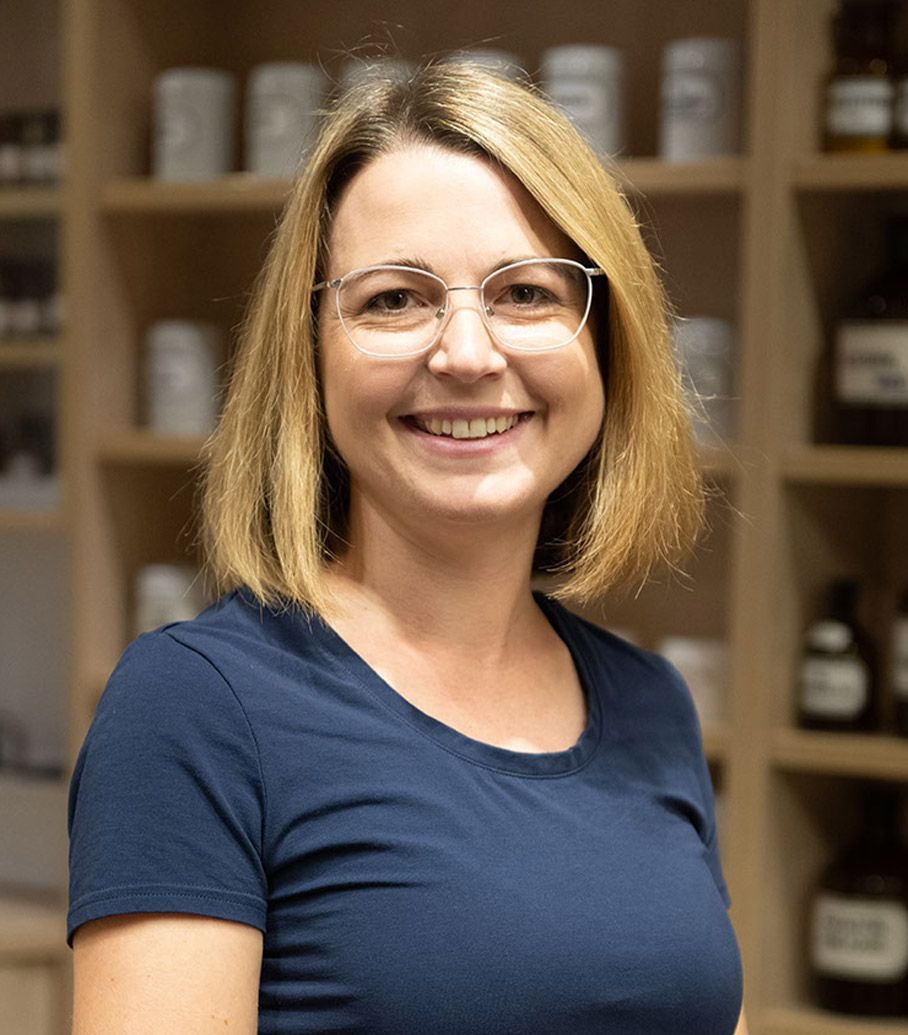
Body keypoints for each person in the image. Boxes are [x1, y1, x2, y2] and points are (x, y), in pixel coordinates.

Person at [68, 62, 747, 1034]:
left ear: (609, 346)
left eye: (525, 293)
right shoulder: (193, 709)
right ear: (309, 354)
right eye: (393, 299)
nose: (466, 354)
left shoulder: (651, 706)